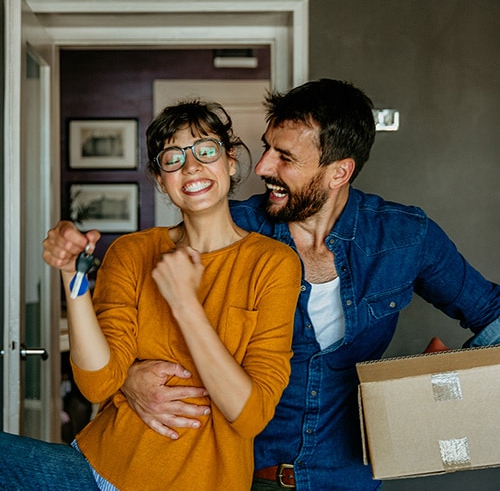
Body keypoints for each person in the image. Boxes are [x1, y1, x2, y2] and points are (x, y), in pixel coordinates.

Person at [122, 79, 500, 490]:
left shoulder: (404, 236)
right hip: (239, 476)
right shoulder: (230, 227)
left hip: (349, 480)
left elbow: (492, 312)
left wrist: (444, 386)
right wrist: (127, 376)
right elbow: (132, 312)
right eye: (267, 148)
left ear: (339, 171)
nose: (264, 167)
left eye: (284, 157)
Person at [0, 100, 302, 491]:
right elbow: (97, 383)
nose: (191, 167)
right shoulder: (131, 252)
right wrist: (71, 276)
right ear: (161, 180)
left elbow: (249, 414)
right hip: (97, 470)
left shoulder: (273, 263)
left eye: (205, 151)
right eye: (172, 158)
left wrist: (185, 304)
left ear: (230, 160)